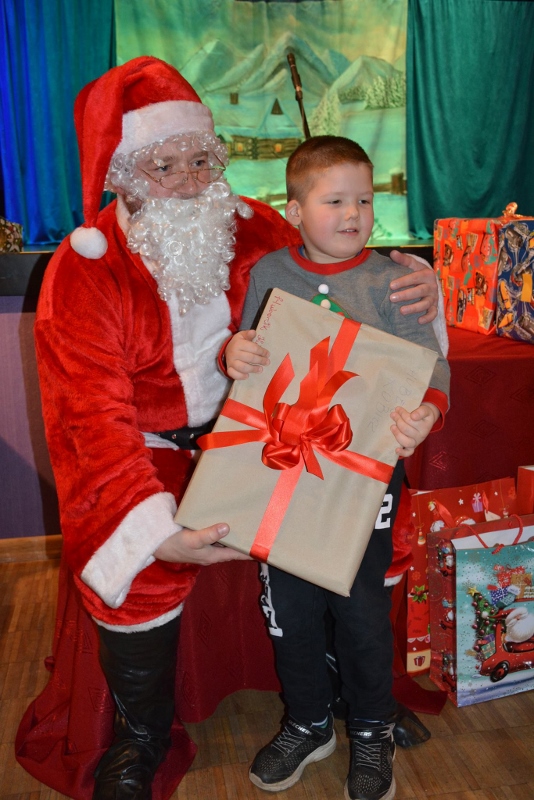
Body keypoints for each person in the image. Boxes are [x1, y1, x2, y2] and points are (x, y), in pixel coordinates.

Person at [16, 58, 441, 800]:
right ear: (123, 175)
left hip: (273, 433)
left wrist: (421, 286)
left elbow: (348, 276)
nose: (189, 181)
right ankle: (142, 736)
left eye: (201, 160)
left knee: (371, 530)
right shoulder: (85, 271)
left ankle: (357, 699)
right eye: (164, 165)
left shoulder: (257, 227)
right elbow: (90, 423)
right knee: (145, 564)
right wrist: (154, 528)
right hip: (152, 453)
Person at [224, 135, 450, 800]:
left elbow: (430, 366)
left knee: (359, 609)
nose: (354, 214)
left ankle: (373, 728)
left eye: (365, 199)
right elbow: (254, 356)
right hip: (286, 471)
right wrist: (234, 352)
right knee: (289, 607)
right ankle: (308, 720)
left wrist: (429, 411)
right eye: (335, 201)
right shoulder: (269, 272)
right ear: (295, 211)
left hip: (365, 475)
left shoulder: (394, 280)